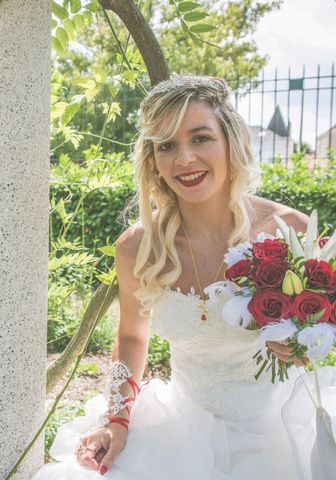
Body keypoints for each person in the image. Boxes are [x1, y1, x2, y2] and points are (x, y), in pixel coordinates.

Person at [33, 75, 327, 479]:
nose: (184, 158)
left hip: (278, 429)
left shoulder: (287, 229)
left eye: (200, 138)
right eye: (167, 145)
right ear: (152, 159)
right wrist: (116, 421)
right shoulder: (138, 248)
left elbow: (324, 323)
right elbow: (133, 337)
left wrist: (305, 346)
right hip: (182, 432)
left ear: (230, 142)